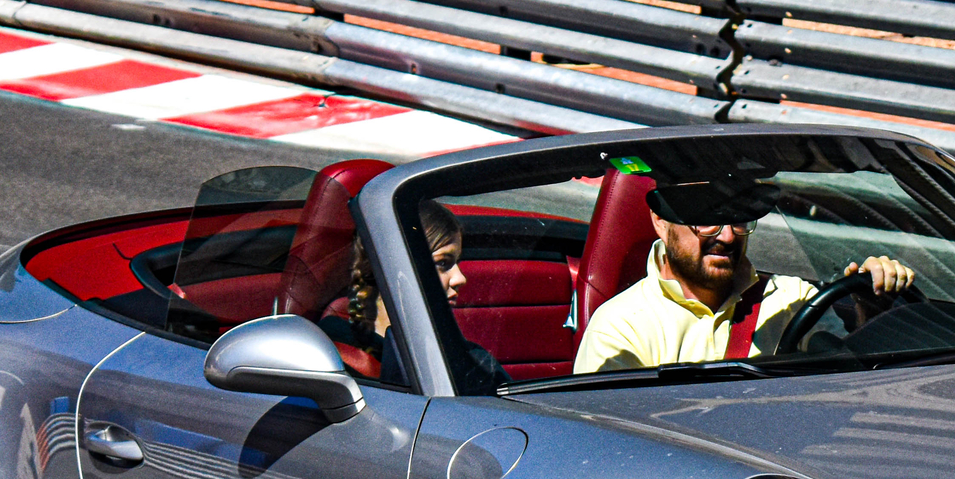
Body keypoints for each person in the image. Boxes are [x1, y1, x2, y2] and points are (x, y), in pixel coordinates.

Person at [571, 176, 916, 374]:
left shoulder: (791, 299)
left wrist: (874, 314)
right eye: (706, 219)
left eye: (738, 218)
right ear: (660, 221)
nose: (727, 236)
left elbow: (850, 383)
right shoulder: (621, 328)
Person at [322, 199, 506, 388]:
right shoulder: (333, 353)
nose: (460, 278)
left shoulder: (472, 360)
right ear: (393, 266)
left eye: (457, 262)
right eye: (443, 263)